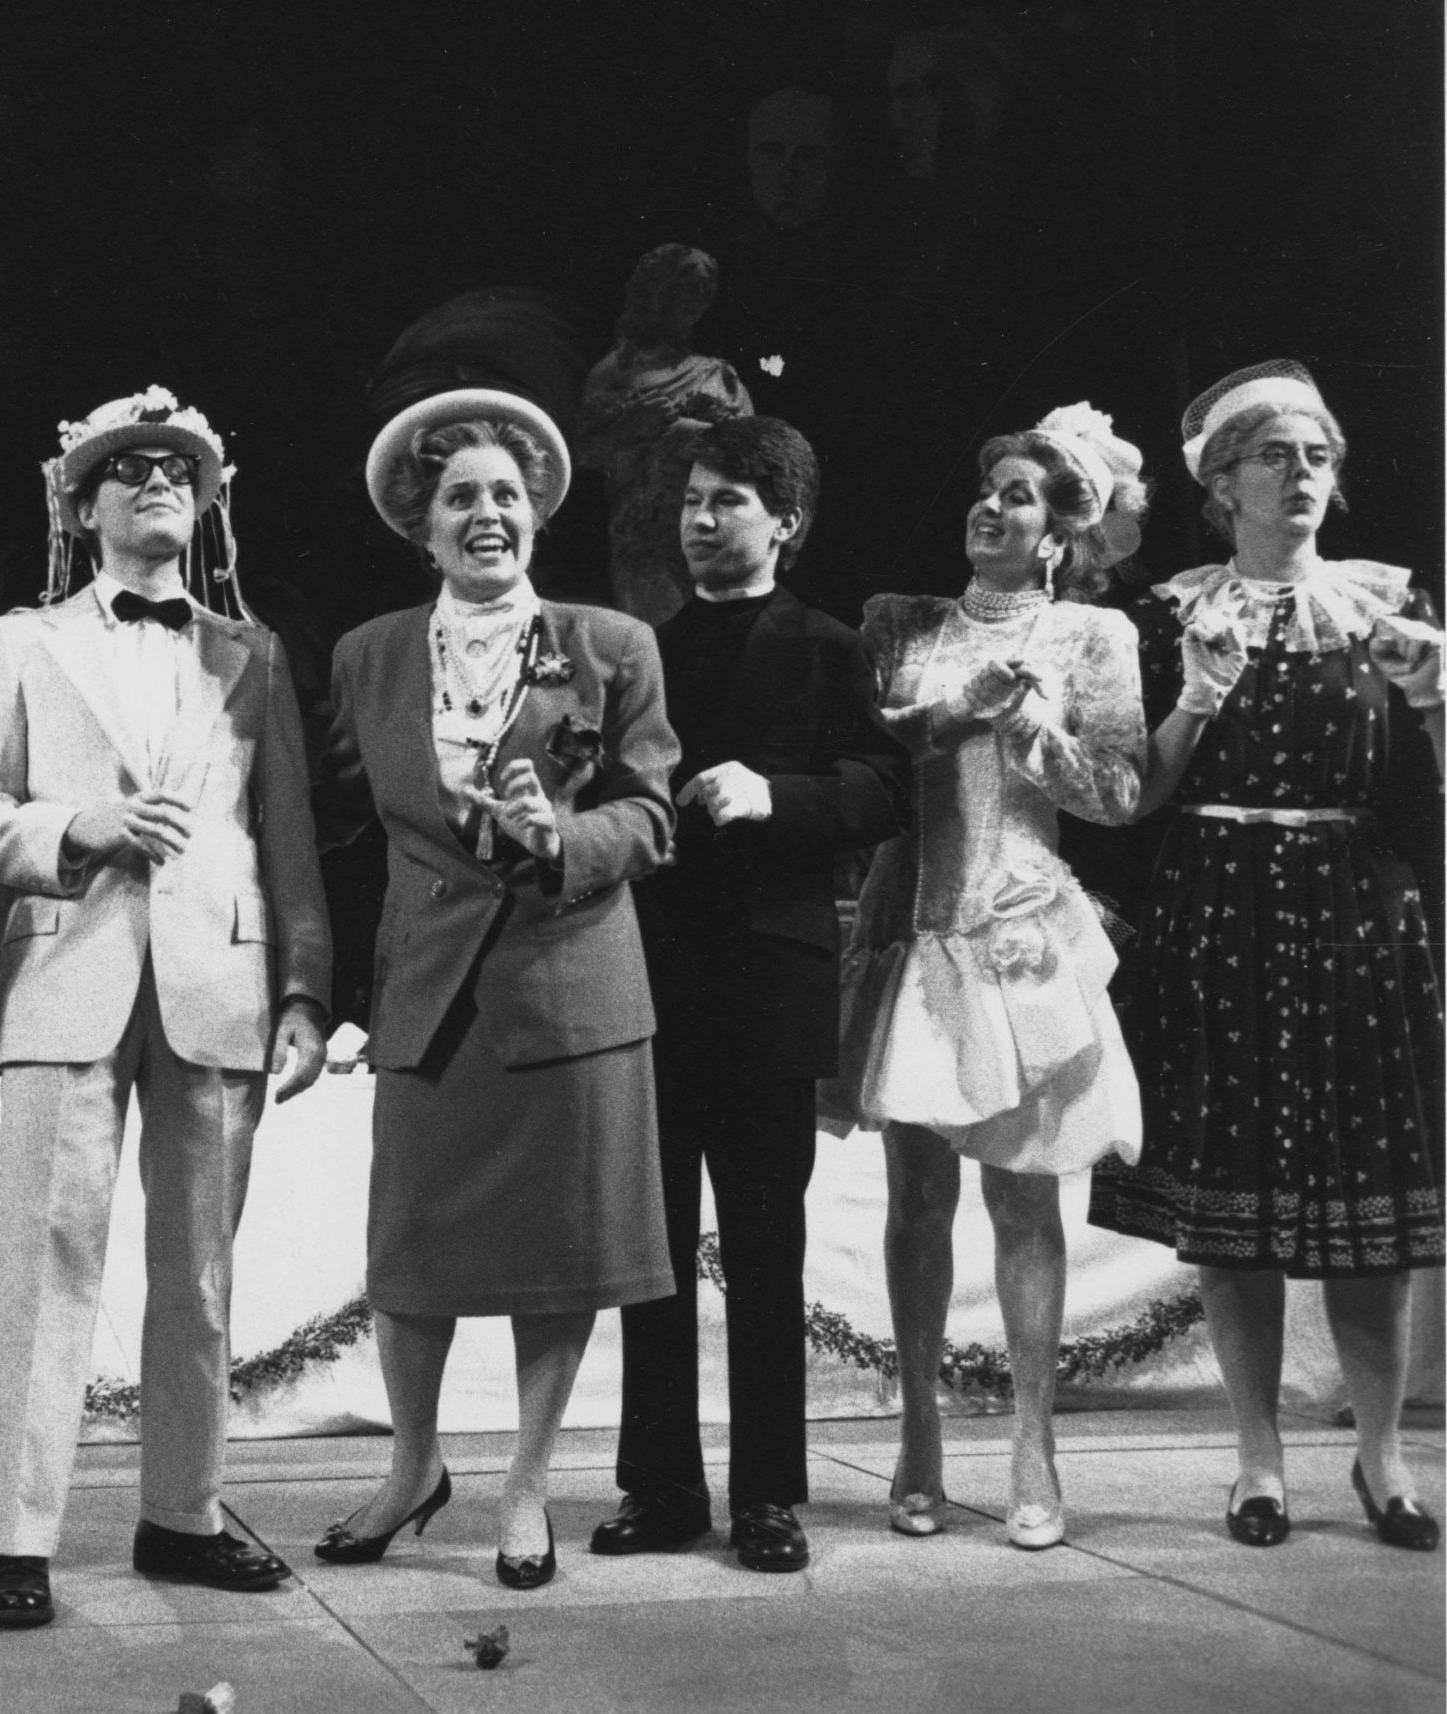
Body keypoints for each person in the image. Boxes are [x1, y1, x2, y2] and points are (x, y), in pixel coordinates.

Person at [0, 388, 331, 1629]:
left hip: (217, 981)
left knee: (202, 1273)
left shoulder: (250, 651)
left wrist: (306, 989)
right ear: (86, 502)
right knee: (43, 1265)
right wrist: (76, 827)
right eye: (130, 467)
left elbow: (290, 843)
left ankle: (184, 1516)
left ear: (204, 502)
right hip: (69, 978)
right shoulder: (24, 640)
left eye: (178, 468)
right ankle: (17, 1538)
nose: (157, 480)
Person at [315, 388, 677, 1590]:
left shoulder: (609, 644)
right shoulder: (366, 656)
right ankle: (412, 1463)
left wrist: (558, 834)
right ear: (421, 525)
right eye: (460, 496)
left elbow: (651, 816)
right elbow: (336, 829)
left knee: (558, 1256)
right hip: (430, 990)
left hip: (566, 983)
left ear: (536, 519)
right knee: (410, 1251)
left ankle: (526, 1487)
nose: (486, 514)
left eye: (505, 496)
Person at [1090, 362, 1442, 1552]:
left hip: (1349, 919)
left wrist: (1436, 708)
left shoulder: (1391, 611)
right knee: (1232, 1213)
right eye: (1275, 456)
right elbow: (1132, 797)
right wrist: (1191, 701)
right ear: (1221, 485)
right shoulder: (1168, 617)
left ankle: (1383, 1456)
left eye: (1317, 458)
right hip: (1218, 917)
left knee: (1371, 1211)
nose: (1300, 475)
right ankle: (1256, 1462)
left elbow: (1424, 811)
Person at [826, 403, 1150, 1550]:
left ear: (1060, 533)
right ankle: (916, 1432)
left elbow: (1115, 794)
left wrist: (1033, 739)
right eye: (988, 488)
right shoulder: (900, 626)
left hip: (1017, 932)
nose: (992, 506)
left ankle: (1030, 1440)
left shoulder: (1089, 641)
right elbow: (864, 748)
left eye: (1020, 496)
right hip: (916, 929)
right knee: (918, 1199)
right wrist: (952, 709)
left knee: (1022, 1196)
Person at [597, 416, 906, 1573]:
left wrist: (774, 795)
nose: (699, 517)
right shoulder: (641, 646)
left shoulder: (828, 645)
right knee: (654, 1249)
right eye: (691, 499)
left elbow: (882, 790)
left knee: (767, 1250)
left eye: (725, 499)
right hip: (654, 980)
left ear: (784, 519)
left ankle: (770, 1496)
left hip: (768, 983)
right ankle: (661, 1487)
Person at [574, 245, 755, 626]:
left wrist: (706, 430)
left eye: (702, 292)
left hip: (716, 529)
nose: (692, 301)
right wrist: (632, 428)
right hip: (647, 537)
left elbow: (757, 455)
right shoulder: (616, 373)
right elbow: (584, 455)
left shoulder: (718, 375)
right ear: (653, 292)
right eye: (683, 288)